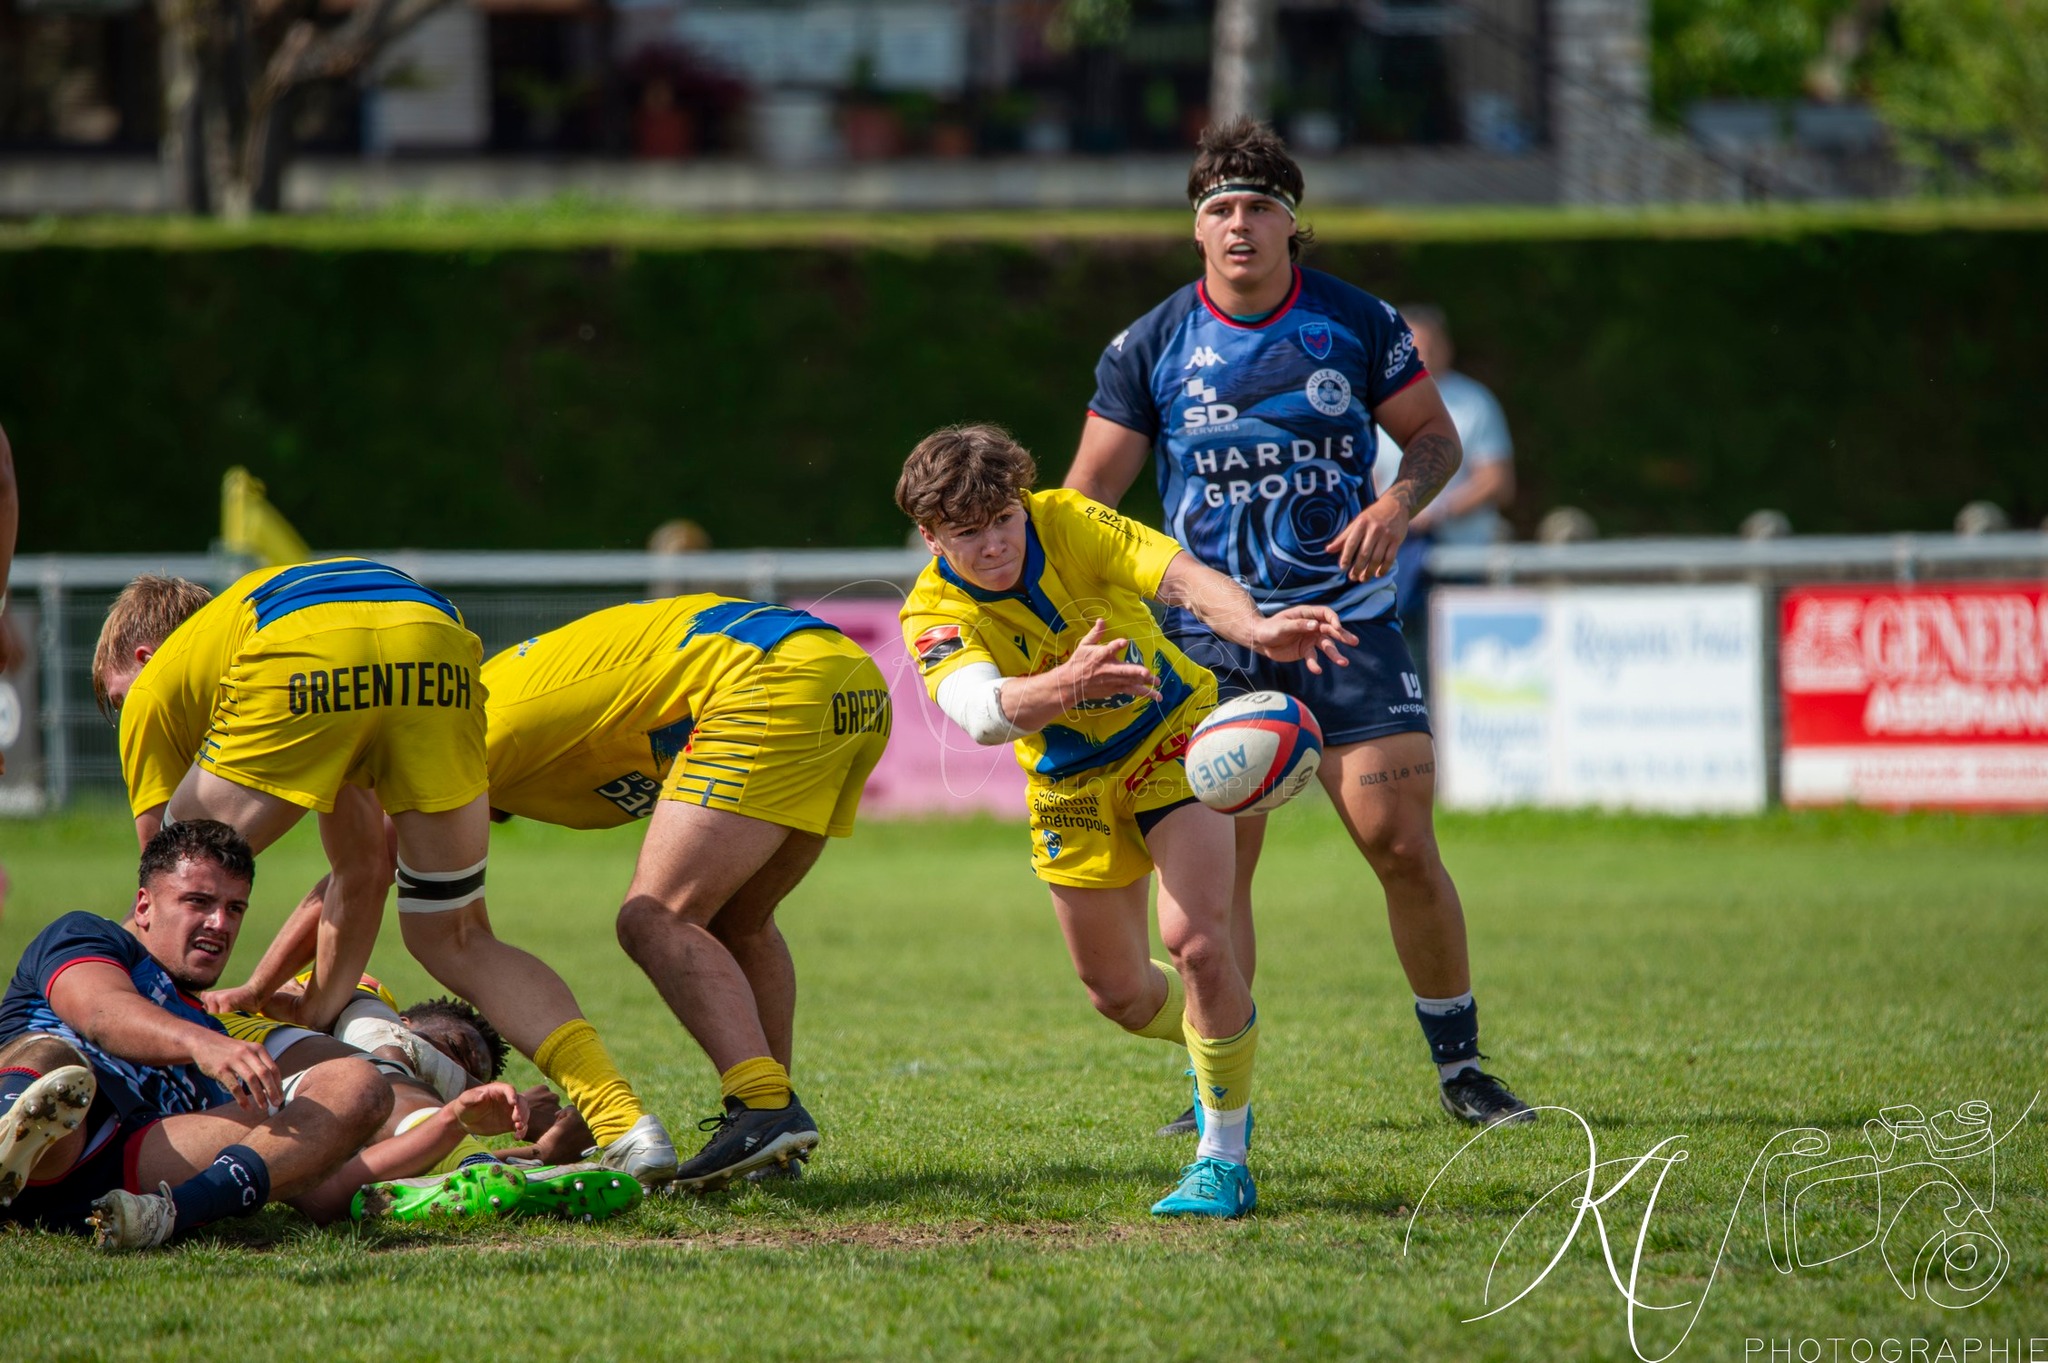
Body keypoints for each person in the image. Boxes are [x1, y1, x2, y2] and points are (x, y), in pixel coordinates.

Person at [1064, 118, 1536, 1130]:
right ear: (1196, 230)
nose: (1238, 225)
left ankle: (1461, 1068)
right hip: (1211, 646)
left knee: (1398, 841)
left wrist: (1395, 505)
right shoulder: (1148, 346)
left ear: (1291, 224)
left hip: (1349, 624)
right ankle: (1212, 1093)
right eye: (1218, 209)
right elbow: (1085, 503)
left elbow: (1434, 440)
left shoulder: (1354, 322)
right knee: (1215, 876)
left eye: (1257, 208)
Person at [230, 594, 893, 1191]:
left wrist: (261, 989)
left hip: (771, 678)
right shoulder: (482, 720)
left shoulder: (460, 731)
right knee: (740, 920)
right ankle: (771, 1140)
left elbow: (361, 873)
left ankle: (763, 1105)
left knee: (655, 916)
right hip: (846, 675)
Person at [89, 561, 678, 1186]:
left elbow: (156, 906)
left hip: (299, 644)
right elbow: (365, 866)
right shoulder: (232, 645)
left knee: (179, 887)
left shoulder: (159, 687)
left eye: (118, 700)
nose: (124, 718)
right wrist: (315, 1004)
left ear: (147, 657)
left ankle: (115, 1092)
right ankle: (623, 1123)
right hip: (434, 636)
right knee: (454, 934)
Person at [895, 423, 1352, 1218]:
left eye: (1004, 520)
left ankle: (1222, 1157)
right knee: (1119, 992)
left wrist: (1253, 628)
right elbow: (980, 712)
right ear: (932, 536)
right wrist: (1066, 686)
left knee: (1200, 944)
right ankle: (1215, 1040)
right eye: (969, 534)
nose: (996, 543)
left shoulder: (1067, 517)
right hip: (1068, 786)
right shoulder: (930, 610)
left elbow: (1178, 576)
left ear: (1022, 502)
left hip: (1176, 739)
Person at [0, 820, 396, 1249]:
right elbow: (102, 1013)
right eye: (199, 902)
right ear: (144, 906)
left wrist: (451, 1127)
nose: (220, 923)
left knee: (359, 1083)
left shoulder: (214, 1036)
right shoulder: (88, 936)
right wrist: (202, 1045)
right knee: (55, 1064)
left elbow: (318, 1185)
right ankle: (8, 1141)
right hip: (52, 1127)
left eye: (235, 908)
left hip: (131, 1163)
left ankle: (165, 1215)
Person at [1372, 303, 1516, 668]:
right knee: (1403, 662)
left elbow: (1497, 480)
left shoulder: (1473, 402)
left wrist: (1437, 509)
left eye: (1429, 345)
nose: (1421, 355)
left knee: (1465, 667)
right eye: (1411, 346)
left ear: (1446, 346)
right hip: (1395, 558)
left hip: (1460, 560)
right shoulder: (1377, 403)